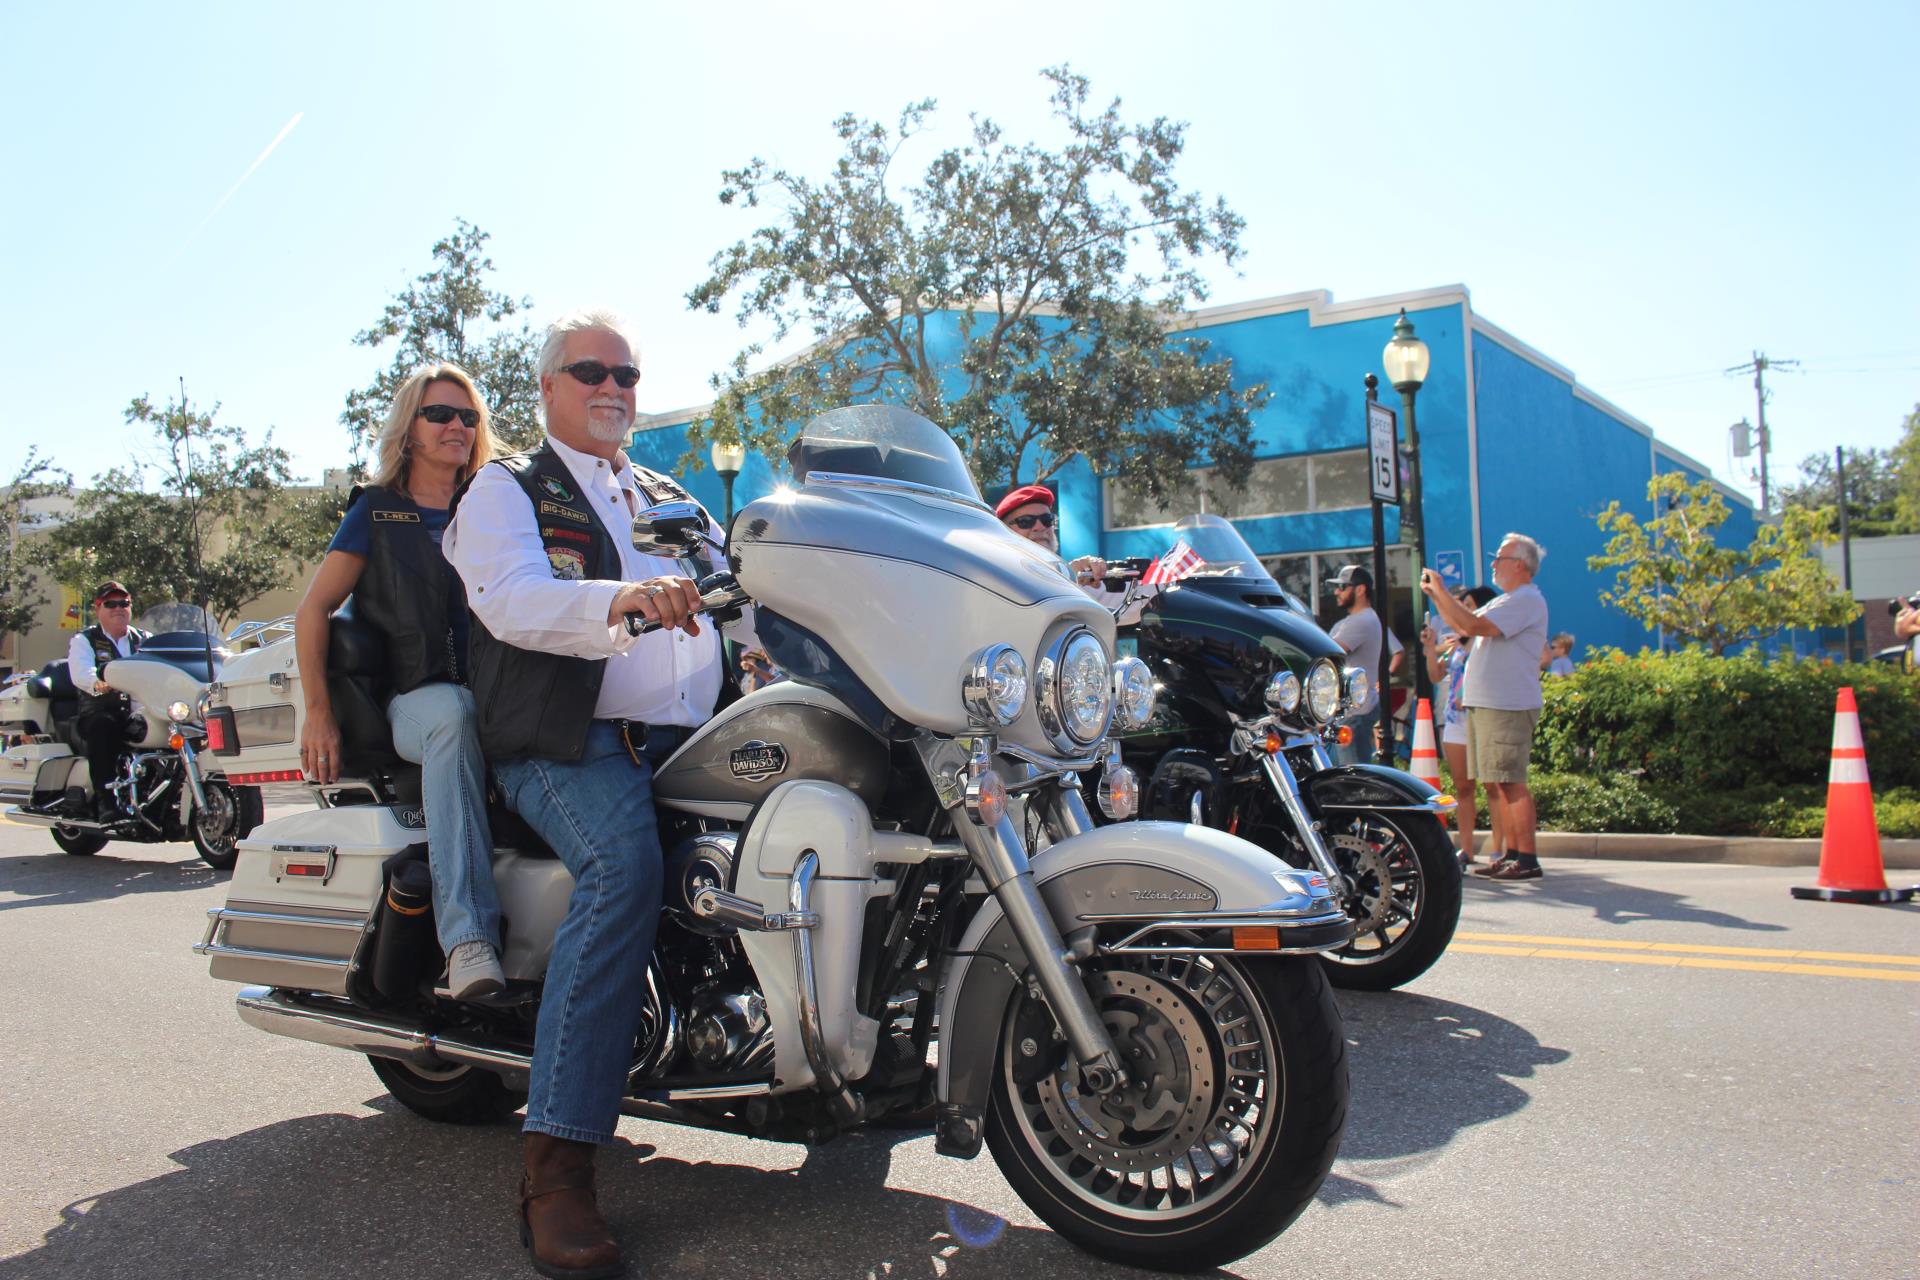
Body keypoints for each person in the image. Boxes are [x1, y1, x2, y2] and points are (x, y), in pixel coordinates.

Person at [445, 308, 745, 1280]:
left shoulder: (667, 495)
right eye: (592, 370)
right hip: (561, 742)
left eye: (628, 373)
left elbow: (740, 588)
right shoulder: (508, 489)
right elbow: (514, 598)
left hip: (686, 738)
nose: (614, 387)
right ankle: (557, 1164)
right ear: (548, 386)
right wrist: (617, 600)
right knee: (622, 865)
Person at [295, 363, 507, 1002]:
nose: (457, 427)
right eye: (440, 414)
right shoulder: (377, 511)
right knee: (452, 713)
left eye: (468, 417)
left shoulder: (496, 506)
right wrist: (317, 712)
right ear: (409, 430)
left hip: (500, 696)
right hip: (413, 703)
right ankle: (467, 940)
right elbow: (314, 609)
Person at [1421, 533, 1550, 881]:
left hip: (1506, 705)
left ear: (1520, 565)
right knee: (1499, 781)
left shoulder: (1524, 600)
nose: (1494, 564)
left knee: (1510, 782)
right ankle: (1511, 854)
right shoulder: (1509, 600)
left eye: (1500, 558)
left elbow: (1472, 625)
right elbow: (1465, 623)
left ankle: (1526, 858)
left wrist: (1441, 593)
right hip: (1491, 705)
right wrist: (1438, 594)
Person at [1423, 586, 1502, 868]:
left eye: (1469, 605)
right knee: (1462, 787)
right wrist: (1430, 648)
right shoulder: (1456, 644)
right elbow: (1435, 674)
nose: (1464, 611)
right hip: (1455, 723)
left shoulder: (1489, 643)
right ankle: (1466, 849)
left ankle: (1499, 849)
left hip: (1481, 717)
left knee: (1494, 786)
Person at [67, 581, 148, 819]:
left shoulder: (145, 640)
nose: (118, 608)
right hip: (101, 711)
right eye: (110, 603)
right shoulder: (85, 640)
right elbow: (81, 673)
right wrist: (98, 683)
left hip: (142, 711)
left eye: (124, 603)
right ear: (98, 608)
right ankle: (106, 800)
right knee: (103, 725)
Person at [1325, 565, 1403, 766]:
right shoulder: (1355, 621)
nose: (1336, 592)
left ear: (1360, 590)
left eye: (1342, 587)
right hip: (1350, 713)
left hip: (1353, 714)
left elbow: (1327, 653)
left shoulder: (1363, 621)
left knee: (1351, 780)